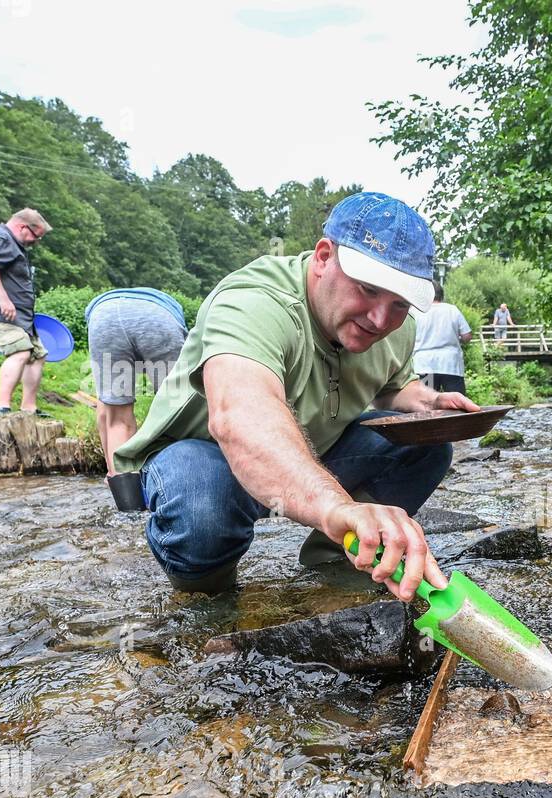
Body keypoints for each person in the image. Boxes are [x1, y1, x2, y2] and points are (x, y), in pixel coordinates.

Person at [112, 192, 480, 596]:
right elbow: (242, 419)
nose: (380, 319)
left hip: (316, 455)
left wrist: (428, 403)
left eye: (399, 303)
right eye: (368, 290)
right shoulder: (253, 301)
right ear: (324, 257)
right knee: (203, 500)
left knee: (427, 445)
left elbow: (395, 389)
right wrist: (338, 507)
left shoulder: (398, 327)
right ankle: (207, 598)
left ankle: (340, 556)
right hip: (204, 459)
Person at [85, 288, 188, 477]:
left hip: (104, 316)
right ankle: (183, 481)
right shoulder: (168, 309)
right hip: (158, 316)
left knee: (118, 419)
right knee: (180, 409)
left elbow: (103, 413)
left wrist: (111, 471)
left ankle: (124, 492)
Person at [0, 208, 52, 415]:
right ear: (22, 227)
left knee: (37, 354)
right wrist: (3, 299)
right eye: (36, 236)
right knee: (20, 350)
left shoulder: (15, 244)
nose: (36, 242)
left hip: (20, 317)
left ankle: (29, 407)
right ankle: (2, 406)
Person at [412, 282, 472, 392]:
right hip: (450, 364)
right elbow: (467, 336)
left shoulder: (417, 311)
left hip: (424, 364)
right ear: (442, 295)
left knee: (427, 404)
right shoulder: (452, 310)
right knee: (456, 404)